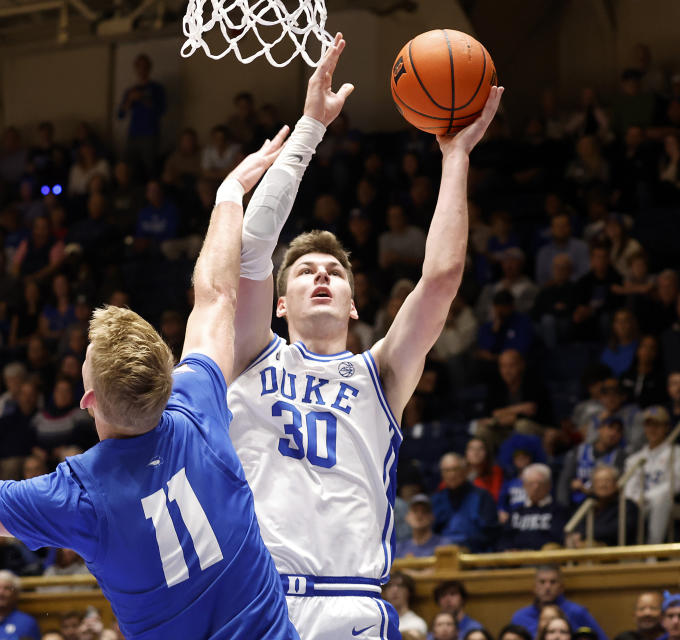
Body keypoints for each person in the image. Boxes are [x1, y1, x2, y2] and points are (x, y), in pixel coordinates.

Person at [0, 128, 298, 638]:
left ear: (88, 402)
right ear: (166, 378)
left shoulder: (80, 497)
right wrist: (229, 194)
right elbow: (216, 294)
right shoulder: (196, 404)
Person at [224, 28, 503, 636]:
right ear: (278, 303)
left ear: (354, 305)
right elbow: (251, 247)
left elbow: (441, 278)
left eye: (335, 273)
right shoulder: (246, 354)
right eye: (304, 272)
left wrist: (455, 159)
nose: (321, 277)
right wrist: (309, 131)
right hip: (257, 600)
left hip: (351, 603)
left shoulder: (381, 373)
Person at [623, 406, 680, 544]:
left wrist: (647, 497)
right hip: (639, 505)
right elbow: (629, 489)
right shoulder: (634, 459)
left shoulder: (677, 453)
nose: (652, 429)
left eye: (657, 425)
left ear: (666, 427)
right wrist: (637, 499)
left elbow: (676, 484)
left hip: (665, 503)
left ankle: (652, 551)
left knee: (661, 497)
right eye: (649, 425)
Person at [510, 566, 606, 640]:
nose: (547, 587)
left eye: (553, 582)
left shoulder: (577, 612)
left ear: (561, 587)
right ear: (534, 587)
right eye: (542, 582)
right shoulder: (520, 617)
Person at [432, 453, 500, 552]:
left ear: (464, 471)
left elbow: (491, 533)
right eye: (447, 471)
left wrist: (466, 546)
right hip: (443, 554)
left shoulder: (483, 496)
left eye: (455, 469)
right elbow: (431, 532)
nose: (452, 474)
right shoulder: (436, 500)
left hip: (476, 555)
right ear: (442, 474)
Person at [557, 417, 625, 507]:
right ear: (600, 429)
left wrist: (587, 491)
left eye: (618, 431)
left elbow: (614, 488)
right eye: (610, 427)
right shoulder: (579, 450)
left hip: (603, 506)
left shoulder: (620, 456)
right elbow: (565, 480)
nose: (613, 433)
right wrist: (563, 507)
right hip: (575, 505)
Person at [499, 463, 567, 551]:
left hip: (545, 560)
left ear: (549, 485)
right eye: (531, 483)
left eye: (540, 483)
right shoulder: (516, 511)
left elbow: (558, 539)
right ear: (524, 485)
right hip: (516, 562)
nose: (536, 487)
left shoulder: (559, 511)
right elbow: (504, 539)